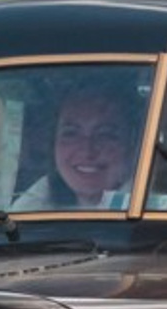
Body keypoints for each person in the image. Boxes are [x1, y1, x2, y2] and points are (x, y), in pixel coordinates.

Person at [14, 73, 143, 210]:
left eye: (104, 134)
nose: (87, 151)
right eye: (71, 133)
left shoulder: (150, 206)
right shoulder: (39, 199)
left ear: (132, 143)